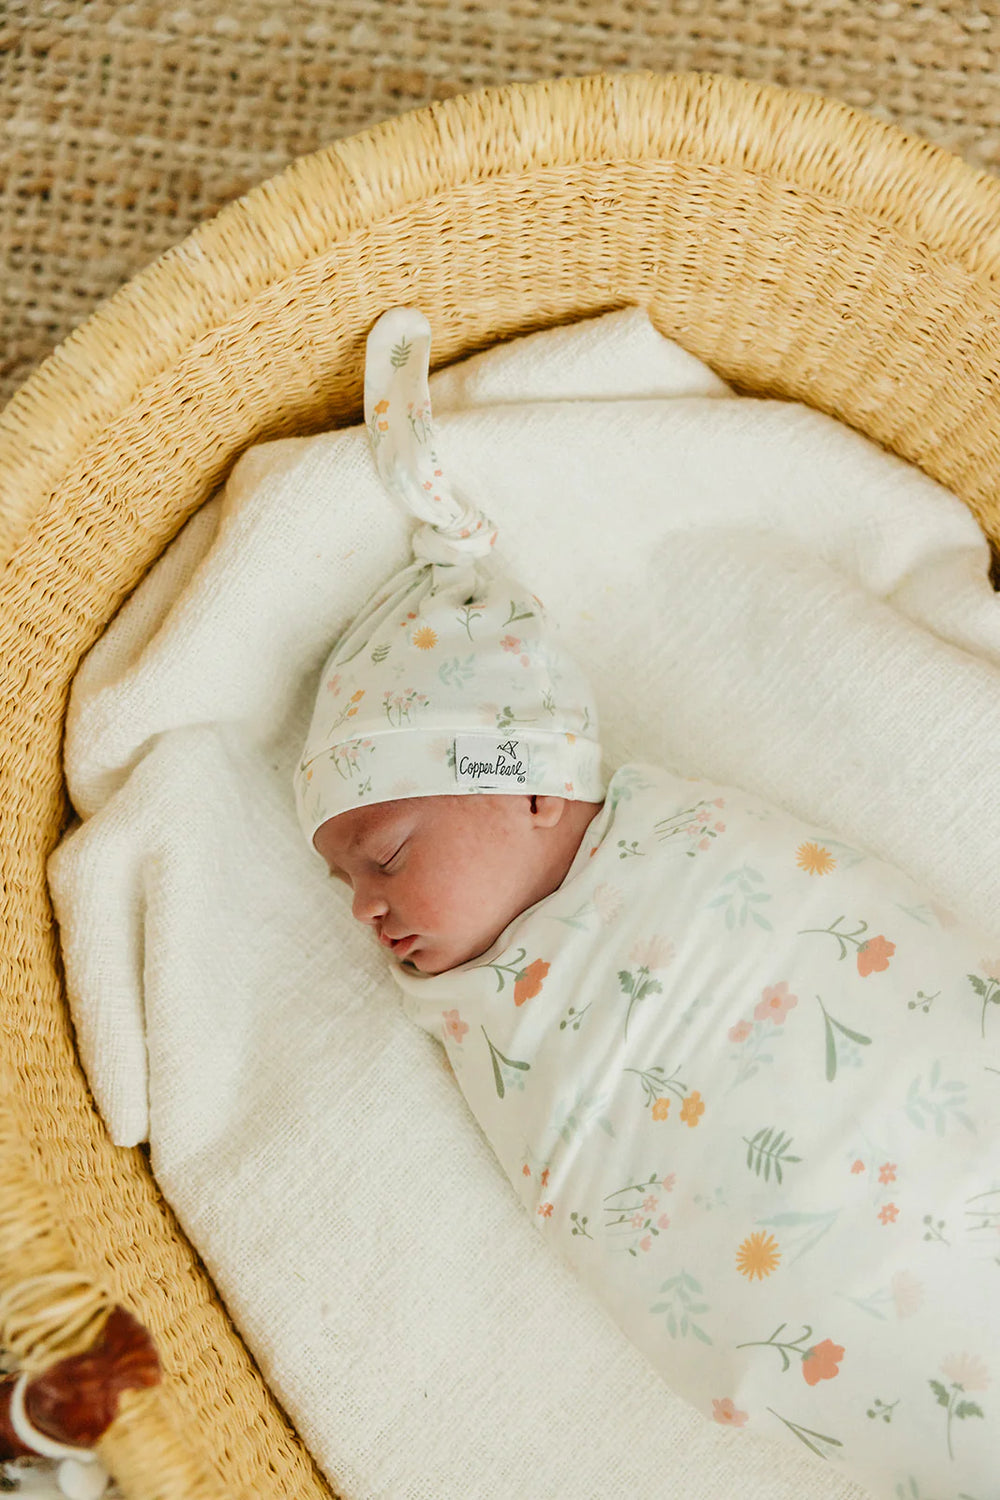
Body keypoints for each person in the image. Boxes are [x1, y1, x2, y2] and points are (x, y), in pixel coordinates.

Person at [295, 307, 1000, 1499]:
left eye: (384, 849)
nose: (365, 906)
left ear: (518, 787)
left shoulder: (690, 852)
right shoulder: (475, 1016)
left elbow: (853, 946)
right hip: (822, 1330)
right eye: (345, 881)